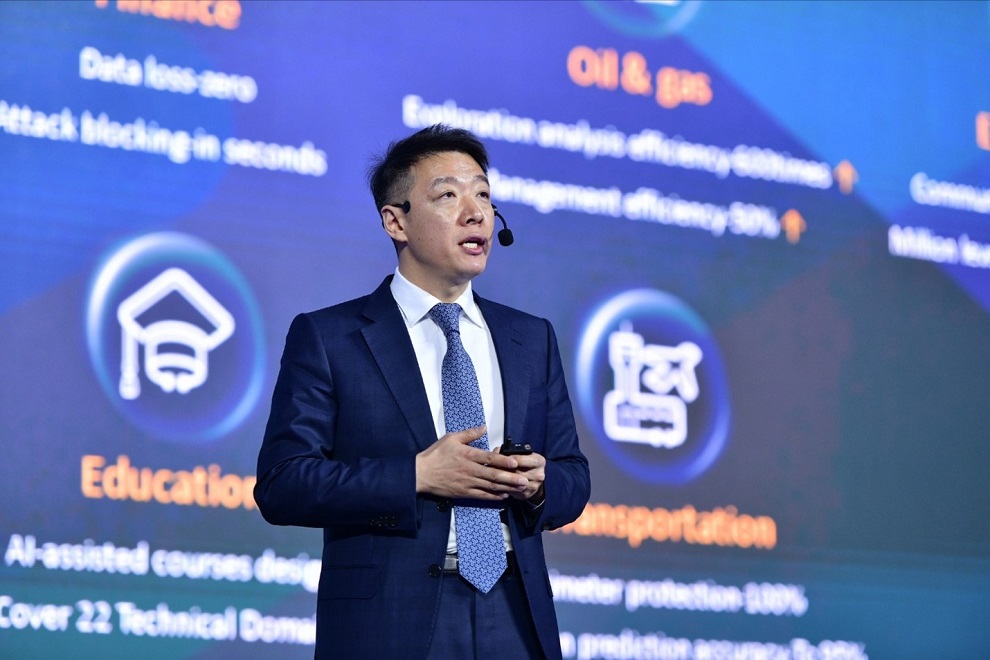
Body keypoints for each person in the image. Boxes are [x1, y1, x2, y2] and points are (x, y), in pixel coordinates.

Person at [254, 124, 590, 659]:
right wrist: (417, 475)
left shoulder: (530, 338)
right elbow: (283, 483)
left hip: (516, 614)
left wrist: (539, 484)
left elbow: (573, 474)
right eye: (448, 196)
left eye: (484, 195)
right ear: (396, 221)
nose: (476, 213)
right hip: (390, 622)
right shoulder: (330, 337)